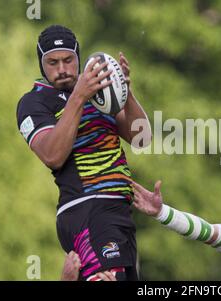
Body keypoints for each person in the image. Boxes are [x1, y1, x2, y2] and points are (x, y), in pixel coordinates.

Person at [16, 25, 151, 281]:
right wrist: (78, 97)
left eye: (68, 60)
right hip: (88, 210)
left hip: (118, 211)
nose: (62, 69)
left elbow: (142, 138)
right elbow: (52, 155)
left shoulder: (97, 91)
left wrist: (125, 91)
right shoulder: (34, 102)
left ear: (78, 57)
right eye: (52, 62)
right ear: (41, 64)